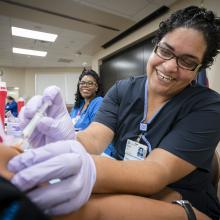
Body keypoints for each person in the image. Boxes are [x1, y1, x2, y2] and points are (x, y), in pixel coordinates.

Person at [7, 5, 220, 220]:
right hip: (124, 187)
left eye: (187, 61)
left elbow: (156, 171)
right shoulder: (122, 90)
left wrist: (91, 170)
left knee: (75, 212)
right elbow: (95, 138)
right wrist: (68, 141)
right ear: (156, 46)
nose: (170, 67)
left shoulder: (208, 107)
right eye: (165, 51)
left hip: (183, 201)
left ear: (199, 69)